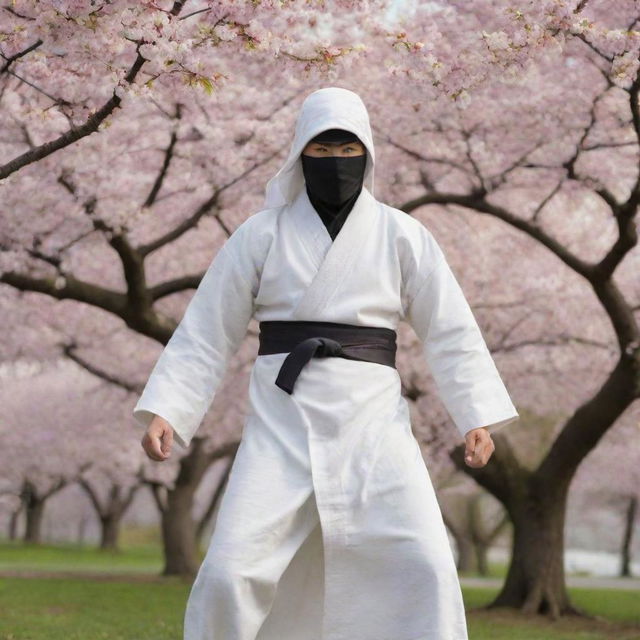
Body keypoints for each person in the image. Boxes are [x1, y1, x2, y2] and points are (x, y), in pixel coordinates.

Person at [133, 86, 519, 640]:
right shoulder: (259, 234)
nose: (335, 164)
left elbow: (451, 330)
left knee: (427, 567)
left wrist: (474, 414)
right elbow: (206, 331)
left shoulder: (403, 234)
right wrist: (168, 407)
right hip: (279, 424)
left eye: (346, 152)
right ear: (298, 155)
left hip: (375, 428)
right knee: (227, 573)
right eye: (321, 151)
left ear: (366, 154)